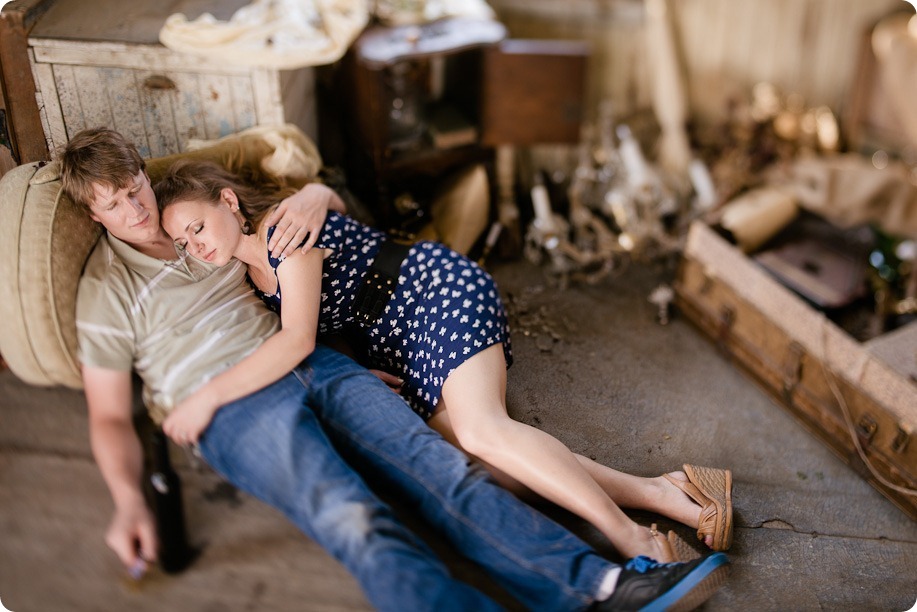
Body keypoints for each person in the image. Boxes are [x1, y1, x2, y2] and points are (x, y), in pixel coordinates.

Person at [61, 127, 731, 611]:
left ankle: (602, 585)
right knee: (352, 515)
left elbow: (291, 213)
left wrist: (319, 192)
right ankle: (650, 503)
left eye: (133, 188)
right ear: (92, 215)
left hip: (324, 358)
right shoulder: (110, 288)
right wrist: (128, 499)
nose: (136, 211)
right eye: (112, 205)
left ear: (147, 173)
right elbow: (110, 415)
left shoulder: (210, 210)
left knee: (452, 468)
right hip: (232, 404)